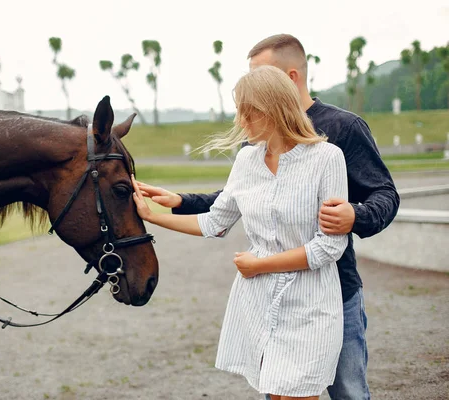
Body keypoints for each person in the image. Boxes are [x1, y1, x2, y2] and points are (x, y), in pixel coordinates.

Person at [136, 34, 400, 400]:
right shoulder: (249, 155)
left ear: (283, 88)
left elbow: (383, 197)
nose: (241, 120)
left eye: (251, 103)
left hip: (329, 293)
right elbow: (228, 209)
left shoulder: (338, 139)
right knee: (274, 392)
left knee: (348, 393)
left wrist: (356, 215)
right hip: (265, 299)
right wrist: (160, 210)